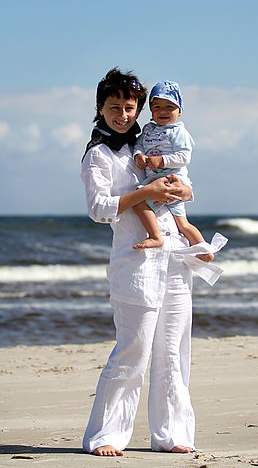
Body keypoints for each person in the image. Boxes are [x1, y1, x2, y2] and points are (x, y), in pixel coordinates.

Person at [80, 67, 225, 457]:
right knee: (134, 349)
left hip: (174, 259)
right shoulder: (99, 154)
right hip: (136, 263)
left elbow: (182, 184)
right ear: (100, 108)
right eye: (115, 107)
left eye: (129, 107)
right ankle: (106, 435)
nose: (123, 115)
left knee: (174, 350)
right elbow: (99, 208)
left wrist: (184, 190)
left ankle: (172, 433)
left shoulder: (151, 141)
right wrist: (145, 190)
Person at [131, 80, 213, 262]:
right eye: (157, 107)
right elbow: (138, 144)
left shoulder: (179, 132)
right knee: (181, 222)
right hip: (155, 181)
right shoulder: (148, 129)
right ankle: (203, 250)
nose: (163, 111)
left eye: (170, 107)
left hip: (172, 179)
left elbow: (184, 157)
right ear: (151, 111)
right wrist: (138, 156)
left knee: (139, 204)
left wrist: (162, 161)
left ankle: (156, 237)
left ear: (180, 110)